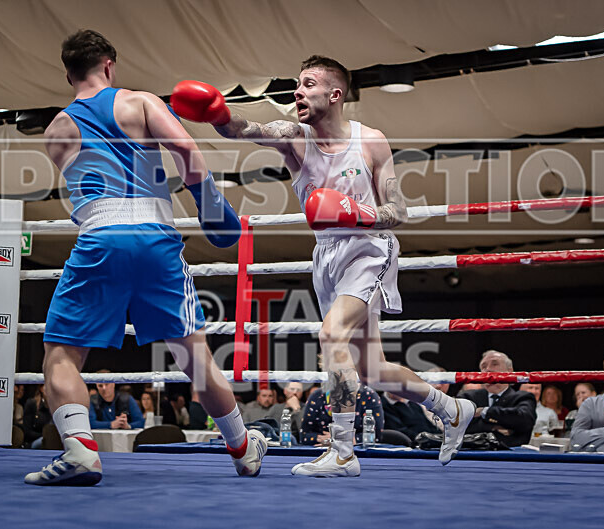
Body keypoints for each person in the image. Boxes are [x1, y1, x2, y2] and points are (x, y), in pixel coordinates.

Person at [172, 55, 474, 477]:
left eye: (308, 83)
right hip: (327, 254)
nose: (298, 91)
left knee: (330, 334)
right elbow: (247, 129)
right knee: (371, 367)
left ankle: (344, 452)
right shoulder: (295, 137)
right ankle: (453, 408)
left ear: (334, 94)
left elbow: (398, 208)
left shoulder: (370, 140)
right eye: (297, 84)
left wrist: (357, 213)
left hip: (369, 246)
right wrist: (219, 115)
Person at [24, 29, 266, 486]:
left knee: (62, 355)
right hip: (156, 238)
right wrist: (210, 204)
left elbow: (86, 192)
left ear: (69, 73)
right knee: (195, 358)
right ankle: (242, 447)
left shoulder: (56, 131)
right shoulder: (139, 103)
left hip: (100, 238)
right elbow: (185, 150)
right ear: (109, 65)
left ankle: (80, 451)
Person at [458, 351, 536, 447]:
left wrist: (484, 411)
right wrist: (493, 427)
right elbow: (457, 424)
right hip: (472, 454)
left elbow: (524, 420)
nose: (488, 369)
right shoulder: (469, 397)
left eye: (495, 364)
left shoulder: (523, 397)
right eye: (483, 366)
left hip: (512, 456)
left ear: (509, 371)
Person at [300, 386, 383, 446]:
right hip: (322, 451)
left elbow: (377, 436)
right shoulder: (317, 396)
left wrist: (346, 440)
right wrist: (320, 439)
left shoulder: (368, 395)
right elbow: (304, 435)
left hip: (358, 453)